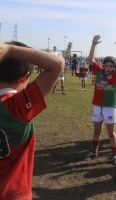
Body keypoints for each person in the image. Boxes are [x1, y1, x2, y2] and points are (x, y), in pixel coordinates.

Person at [0, 41, 64, 199]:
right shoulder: (16, 107)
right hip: (12, 194)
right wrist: (10, 50)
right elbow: (57, 64)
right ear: (25, 77)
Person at [84, 35, 116, 165]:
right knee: (97, 131)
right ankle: (94, 152)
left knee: (111, 132)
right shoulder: (99, 71)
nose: (108, 68)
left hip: (110, 107)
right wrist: (93, 44)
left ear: (114, 67)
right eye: (107, 65)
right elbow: (91, 58)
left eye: (111, 66)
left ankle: (115, 155)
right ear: (103, 65)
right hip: (98, 106)